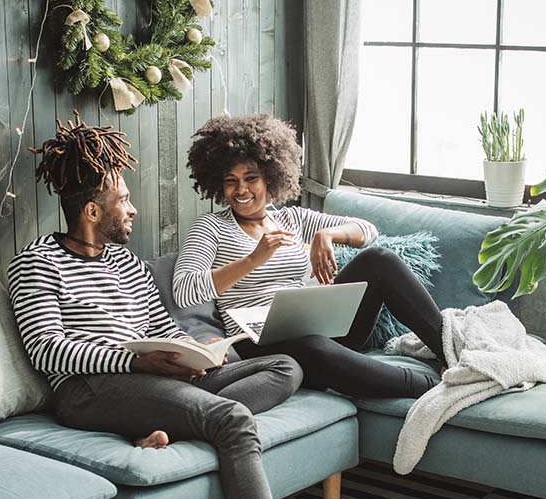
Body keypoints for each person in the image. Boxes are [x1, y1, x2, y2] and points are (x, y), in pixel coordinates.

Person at [8, 112, 364, 499]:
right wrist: (134, 359)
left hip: (156, 378)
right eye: (122, 201)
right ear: (91, 209)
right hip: (92, 389)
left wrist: (195, 350)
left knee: (285, 366)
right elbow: (47, 350)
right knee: (233, 421)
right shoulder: (38, 262)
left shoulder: (126, 263)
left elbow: (158, 323)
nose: (132, 209)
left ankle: (176, 422)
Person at [174, 113, 446, 399]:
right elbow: (184, 290)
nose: (241, 190)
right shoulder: (210, 228)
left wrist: (327, 235)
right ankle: (435, 388)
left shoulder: (292, 219)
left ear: (271, 177)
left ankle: (450, 354)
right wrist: (253, 259)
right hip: (261, 343)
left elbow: (368, 230)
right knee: (314, 346)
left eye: (250, 178)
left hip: (318, 328)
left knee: (379, 260)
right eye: (231, 181)